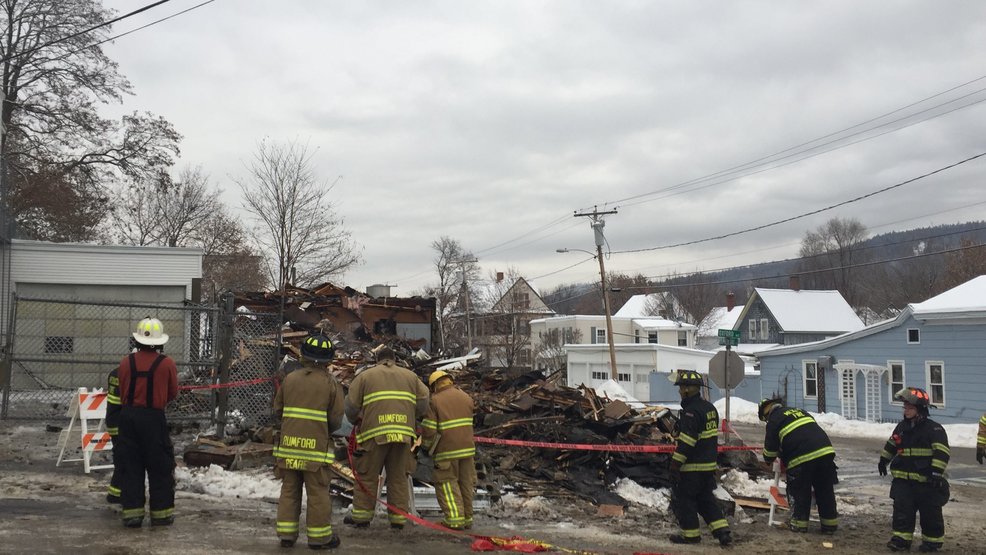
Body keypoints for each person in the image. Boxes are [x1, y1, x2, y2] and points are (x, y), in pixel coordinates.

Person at [344, 347, 429, 529]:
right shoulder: (411, 376)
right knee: (398, 477)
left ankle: (361, 518)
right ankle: (398, 520)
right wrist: (412, 415)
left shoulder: (365, 376)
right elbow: (424, 401)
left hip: (374, 434)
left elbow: (351, 406)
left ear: (378, 359)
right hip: (403, 434)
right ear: (394, 359)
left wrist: (355, 420)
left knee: (367, 475)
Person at [273, 334, 345, 550]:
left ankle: (286, 535)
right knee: (318, 493)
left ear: (303, 354)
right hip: (315, 451)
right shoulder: (331, 383)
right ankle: (319, 538)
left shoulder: (290, 379)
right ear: (328, 359)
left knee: (289, 490)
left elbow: (278, 410)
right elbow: (336, 419)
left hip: (289, 447)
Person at [115, 317, 179, 528]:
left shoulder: (125, 362)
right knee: (160, 467)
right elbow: (172, 393)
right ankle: (161, 514)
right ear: (160, 341)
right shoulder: (167, 364)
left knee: (130, 466)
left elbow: (122, 390)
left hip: (128, 418)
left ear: (137, 340)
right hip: (153, 419)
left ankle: (132, 514)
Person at [878, 387, 950, 552]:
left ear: (920, 409)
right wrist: (883, 460)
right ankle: (901, 540)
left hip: (926, 481)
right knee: (902, 511)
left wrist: (936, 472)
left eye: (910, 408)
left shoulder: (934, 429)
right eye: (905, 407)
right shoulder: (901, 427)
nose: (906, 411)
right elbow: (892, 444)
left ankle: (932, 542)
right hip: (903, 480)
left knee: (930, 513)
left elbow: (942, 452)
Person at [667, 370, 732, 547]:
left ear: (688, 389)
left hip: (692, 467)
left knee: (685, 499)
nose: (680, 391)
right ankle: (722, 532)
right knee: (705, 499)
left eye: (681, 387)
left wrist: (675, 464)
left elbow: (687, 442)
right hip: (708, 465)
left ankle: (691, 536)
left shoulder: (691, 412)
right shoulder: (710, 408)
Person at [758, 397, 838, 534]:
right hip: (825, 452)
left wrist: (770, 457)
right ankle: (829, 525)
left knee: (799, 492)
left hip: (801, 457)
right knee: (825, 490)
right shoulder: (800, 411)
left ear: (765, 415)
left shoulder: (774, 420)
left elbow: (770, 454)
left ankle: (798, 525)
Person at [421, 370, 476, 530]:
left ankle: (454, 520)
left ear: (434, 385)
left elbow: (429, 429)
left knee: (446, 484)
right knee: (465, 484)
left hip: (446, 451)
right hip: (467, 450)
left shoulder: (435, 401)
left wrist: (426, 447)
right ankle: (467, 518)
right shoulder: (465, 397)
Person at [104, 365, 122, 504]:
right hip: (121, 422)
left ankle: (115, 492)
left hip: (112, 419)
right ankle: (115, 495)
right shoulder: (127, 374)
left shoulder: (114, 373)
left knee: (120, 457)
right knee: (125, 459)